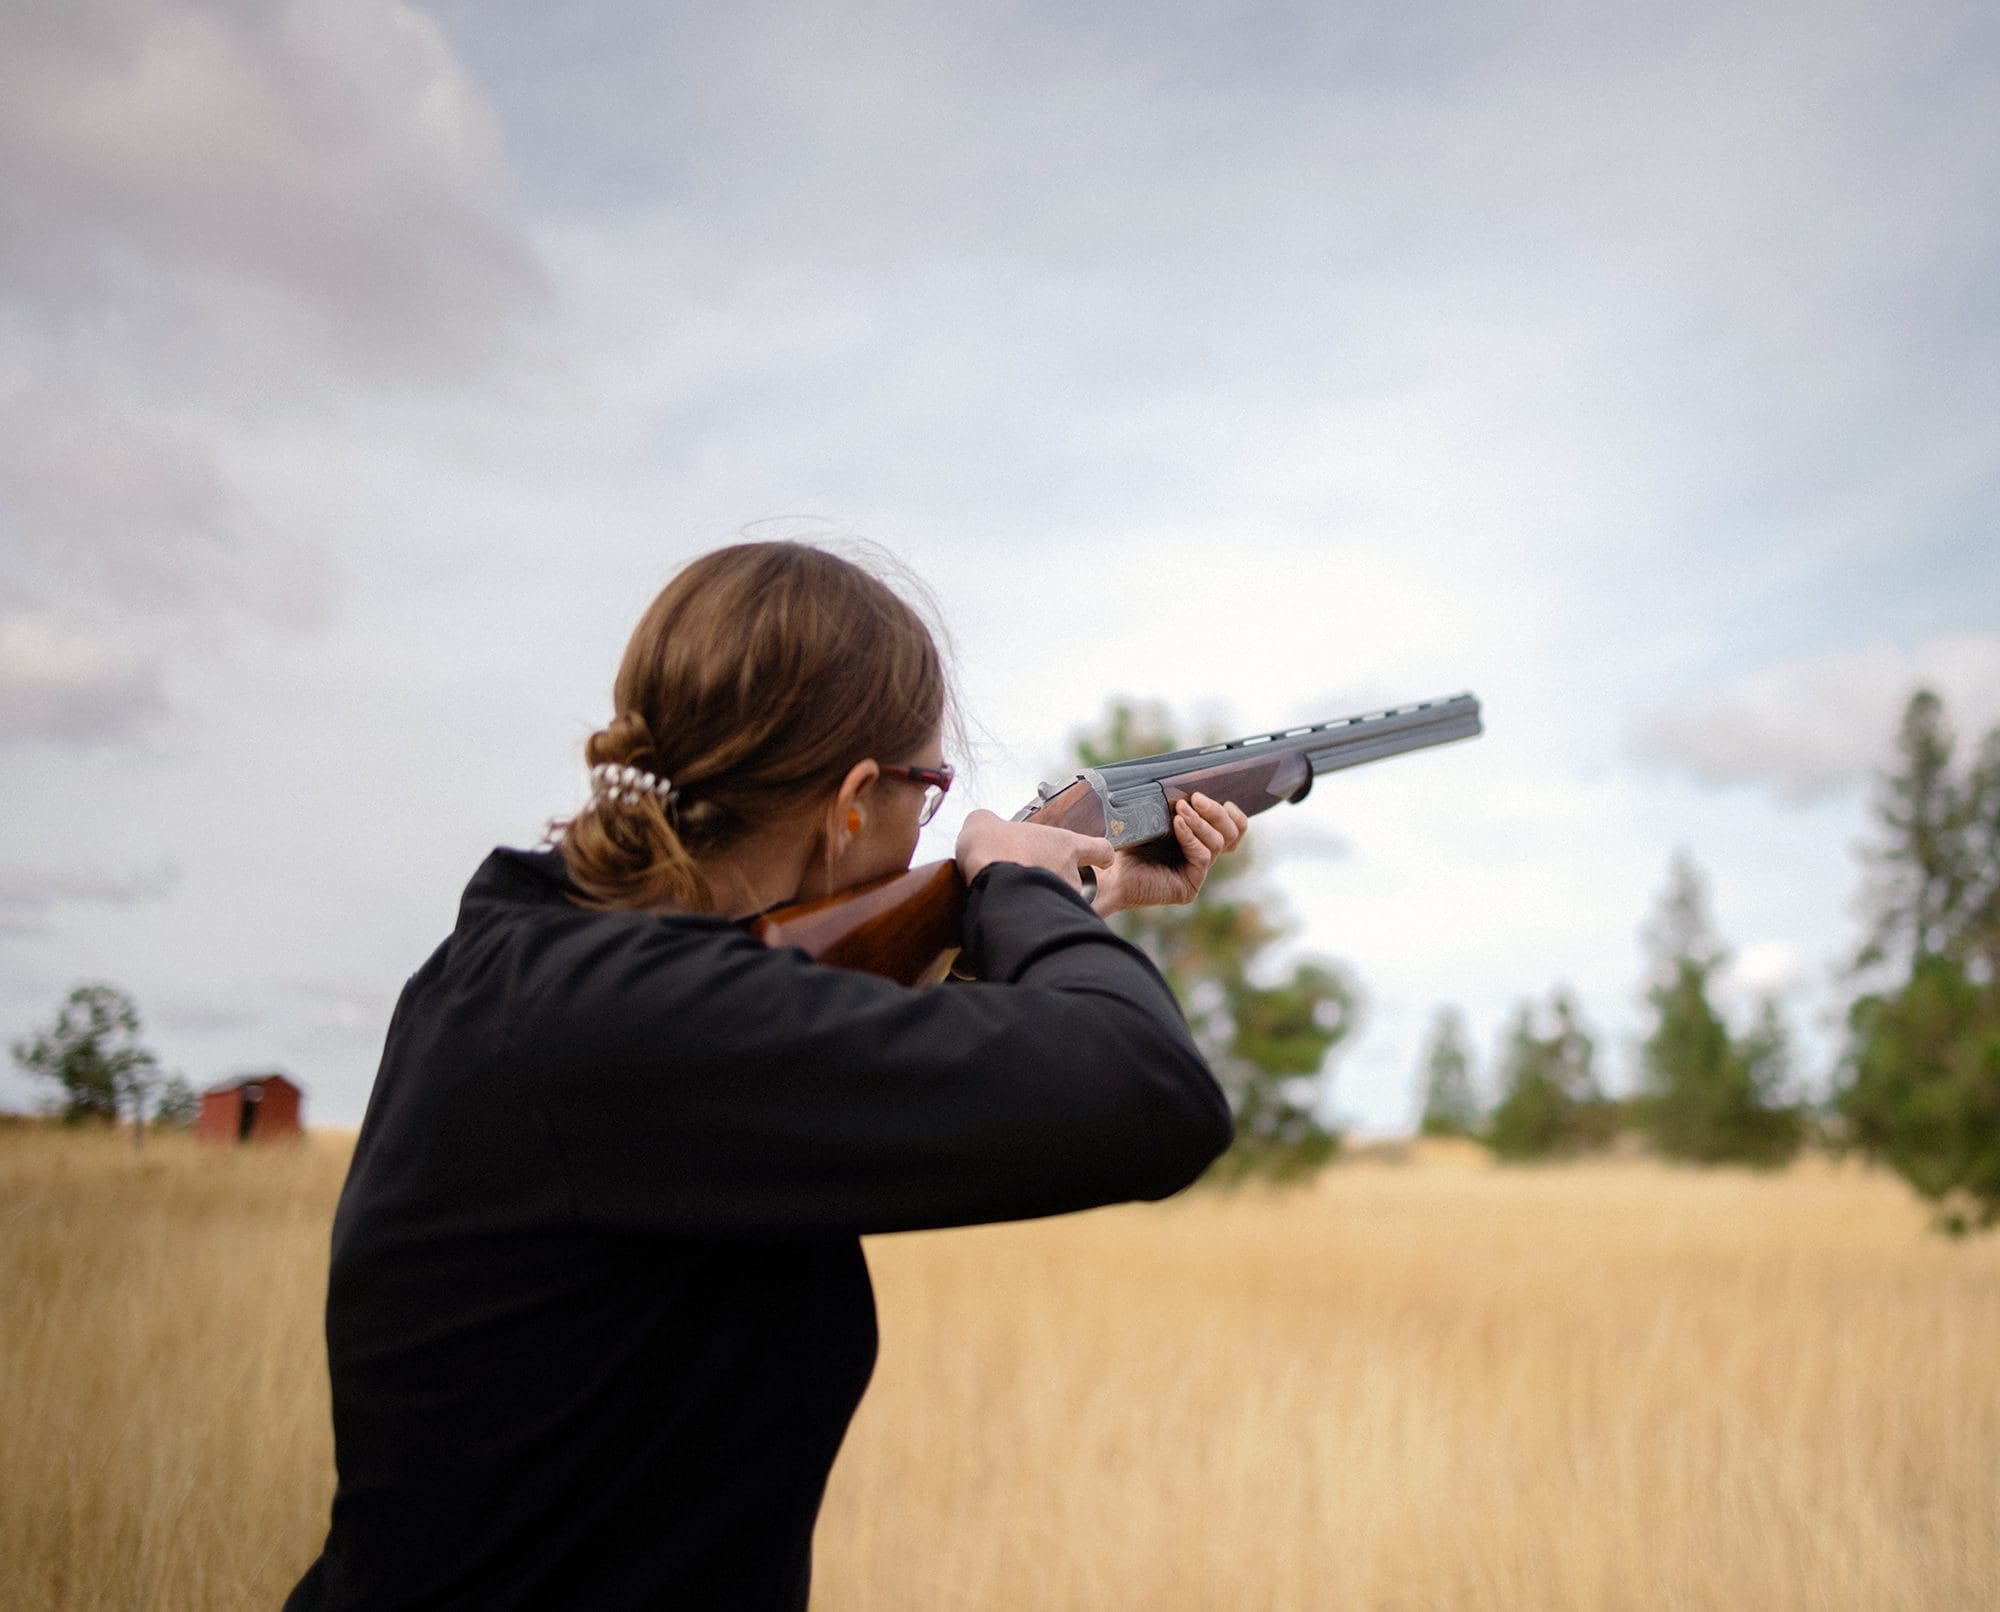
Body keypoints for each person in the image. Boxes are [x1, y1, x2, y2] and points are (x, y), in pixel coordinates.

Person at [285, 541, 1247, 1611]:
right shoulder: (613, 1016)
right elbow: (1152, 1095)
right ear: (848, 803)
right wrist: (1023, 896)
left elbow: (796, 1040)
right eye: (929, 790)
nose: (934, 820)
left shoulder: (536, 969)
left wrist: (1068, 909)